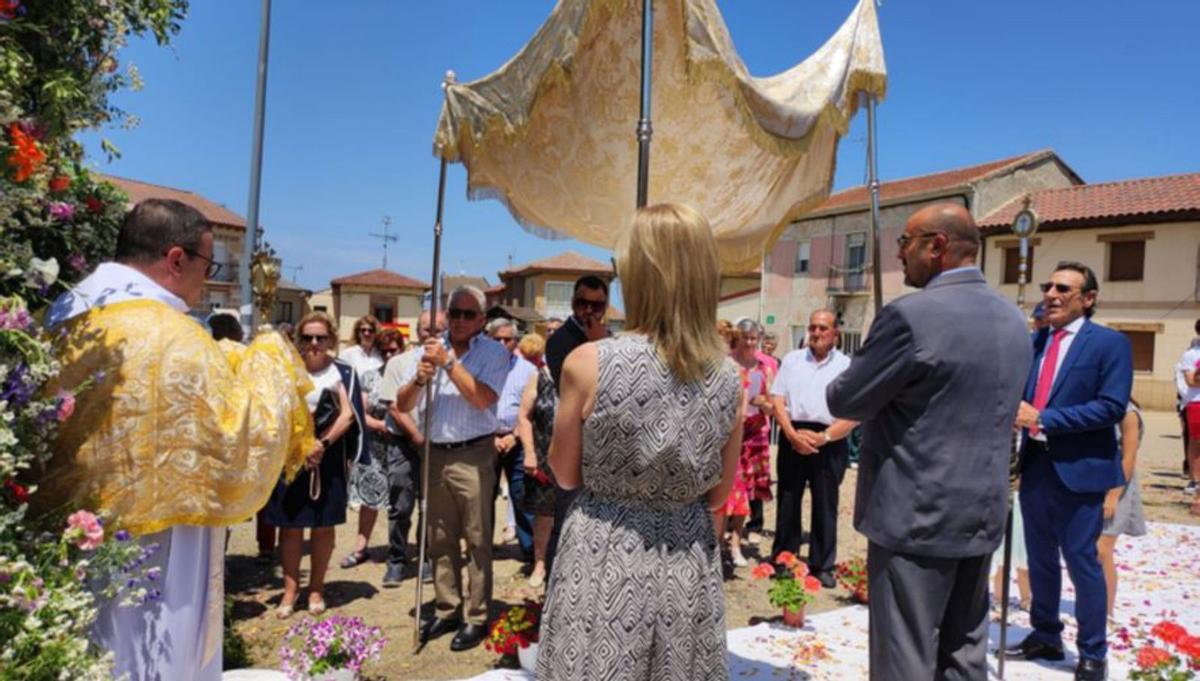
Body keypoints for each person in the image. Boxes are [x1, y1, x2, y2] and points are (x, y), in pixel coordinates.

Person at [42, 199, 314, 680]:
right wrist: (270, 353)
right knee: (152, 653)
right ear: (175, 259)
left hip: (69, 535)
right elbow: (238, 427)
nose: (206, 279)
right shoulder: (174, 336)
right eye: (207, 265)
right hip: (162, 544)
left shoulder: (60, 319)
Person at [537, 203, 744, 681]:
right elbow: (718, 495)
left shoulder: (588, 362)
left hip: (604, 547)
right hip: (687, 552)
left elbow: (565, 473)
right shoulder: (731, 378)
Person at [826, 203, 1031, 681]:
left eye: (906, 242)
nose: (899, 255)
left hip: (915, 514)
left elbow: (846, 398)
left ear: (937, 246)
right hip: (981, 511)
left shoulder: (910, 316)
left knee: (905, 656)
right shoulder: (1011, 318)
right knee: (964, 651)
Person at [1005, 261, 1132, 681]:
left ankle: (1093, 651)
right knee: (1039, 558)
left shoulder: (1109, 344)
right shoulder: (1037, 341)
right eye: (1048, 286)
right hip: (1037, 466)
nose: (1051, 294)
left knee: (1082, 562)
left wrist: (1042, 418)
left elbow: (1111, 406)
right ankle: (1045, 633)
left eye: (1063, 288)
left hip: (1082, 471)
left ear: (1088, 299)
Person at [396, 285, 510, 651]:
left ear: (480, 319)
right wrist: (419, 378)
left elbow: (480, 398)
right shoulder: (428, 350)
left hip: (473, 452)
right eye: (453, 313)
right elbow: (401, 404)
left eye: (466, 314)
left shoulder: (492, 353)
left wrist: (448, 363)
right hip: (434, 452)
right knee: (439, 537)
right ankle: (447, 607)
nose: (458, 320)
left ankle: (476, 615)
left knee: (477, 538)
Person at [260, 312, 359, 619]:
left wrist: (321, 444)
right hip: (291, 457)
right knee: (289, 527)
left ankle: (316, 587)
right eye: (308, 337)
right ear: (299, 340)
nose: (314, 343)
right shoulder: (286, 370)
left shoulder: (342, 372)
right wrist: (299, 445)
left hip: (325, 458)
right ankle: (290, 590)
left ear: (331, 339)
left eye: (321, 337)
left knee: (322, 526)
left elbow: (347, 414)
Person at [771, 309, 856, 587]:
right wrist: (792, 434)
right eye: (813, 328)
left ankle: (822, 565)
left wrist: (824, 438)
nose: (816, 333)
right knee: (788, 500)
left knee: (825, 503)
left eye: (823, 328)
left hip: (828, 440)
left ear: (835, 334)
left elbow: (854, 412)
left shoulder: (846, 365)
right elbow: (778, 399)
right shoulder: (793, 361)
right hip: (792, 433)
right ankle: (784, 559)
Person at [542, 274, 610, 579]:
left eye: (597, 305)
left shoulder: (607, 338)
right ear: (572, 303)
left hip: (603, 446)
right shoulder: (560, 340)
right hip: (574, 444)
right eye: (583, 303)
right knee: (567, 519)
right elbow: (578, 392)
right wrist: (597, 345)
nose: (589, 310)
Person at [377, 310, 445, 585]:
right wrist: (417, 437)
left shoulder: (449, 363)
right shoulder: (398, 363)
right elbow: (393, 405)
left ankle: (428, 557)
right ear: (418, 332)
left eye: (438, 330)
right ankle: (396, 559)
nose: (432, 335)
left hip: (438, 444)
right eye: (427, 329)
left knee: (430, 506)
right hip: (404, 442)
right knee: (401, 504)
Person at [341, 327, 404, 570]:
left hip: (403, 447)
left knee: (402, 501)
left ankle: (398, 550)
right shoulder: (369, 376)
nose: (389, 355)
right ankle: (360, 548)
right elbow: (360, 413)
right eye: (384, 351)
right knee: (369, 499)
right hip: (375, 446)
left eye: (394, 350)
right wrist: (381, 426)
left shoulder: (411, 377)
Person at [715, 318, 774, 569]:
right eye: (746, 337)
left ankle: (736, 542)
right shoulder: (727, 363)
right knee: (726, 490)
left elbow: (773, 406)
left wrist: (764, 403)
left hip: (755, 434)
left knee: (746, 492)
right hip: (729, 434)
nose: (750, 342)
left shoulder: (764, 367)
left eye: (753, 338)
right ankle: (718, 542)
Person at [488, 317, 537, 559]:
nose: (501, 343)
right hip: (486, 439)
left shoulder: (528, 371)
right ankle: (482, 548)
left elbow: (532, 410)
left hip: (517, 440)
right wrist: (492, 438)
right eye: (496, 339)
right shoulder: (479, 367)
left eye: (506, 339)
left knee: (522, 495)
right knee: (484, 496)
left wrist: (514, 436)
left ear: (515, 341)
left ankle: (529, 550)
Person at [1098, 400, 1147, 618]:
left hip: (1118, 485)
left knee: (1103, 548)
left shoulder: (1129, 413)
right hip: (1093, 482)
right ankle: (1093, 602)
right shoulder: (1097, 404)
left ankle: (1105, 609)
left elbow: (1129, 457)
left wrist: (1114, 494)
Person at [516, 334, 555, 589]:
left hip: (578, 456)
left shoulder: (585, 373)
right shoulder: (540, 376)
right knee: (544, 513)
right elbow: (524, 416)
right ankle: (540, 564)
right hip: (543, 453)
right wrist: (529, 452)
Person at [1177, 322, 1200, 504]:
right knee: (1195, 441)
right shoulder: (1190, 355)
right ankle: (1194, 479)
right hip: (1196, 402)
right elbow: (1191, 381)